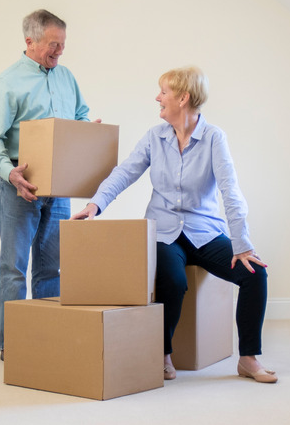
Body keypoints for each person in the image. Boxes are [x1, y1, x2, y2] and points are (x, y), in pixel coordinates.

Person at [71, 66, 277, 383]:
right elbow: (125, 172)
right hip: (164, 232)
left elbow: (230, 192)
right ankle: (163, 354)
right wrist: (94, 205)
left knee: (255, 273)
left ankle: (248, 359)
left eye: (163, 91)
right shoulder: (155, 137)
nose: (158, 97)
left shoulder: (213, 138)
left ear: (183, 98)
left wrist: (242, 244)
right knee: (172, 280)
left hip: (205, 233)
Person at [0, 9, 98, 361]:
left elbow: (80, 116)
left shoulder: (66, 78)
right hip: (21, 185)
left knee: (51, 267)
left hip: (58, 186)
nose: (59, 52)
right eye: (53, 45)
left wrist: (89, 130)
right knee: (14, 268)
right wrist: (10, 173)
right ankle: (14, 344)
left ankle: (48, 335)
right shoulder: (7, 83)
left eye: (63, 45)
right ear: (30, 42)